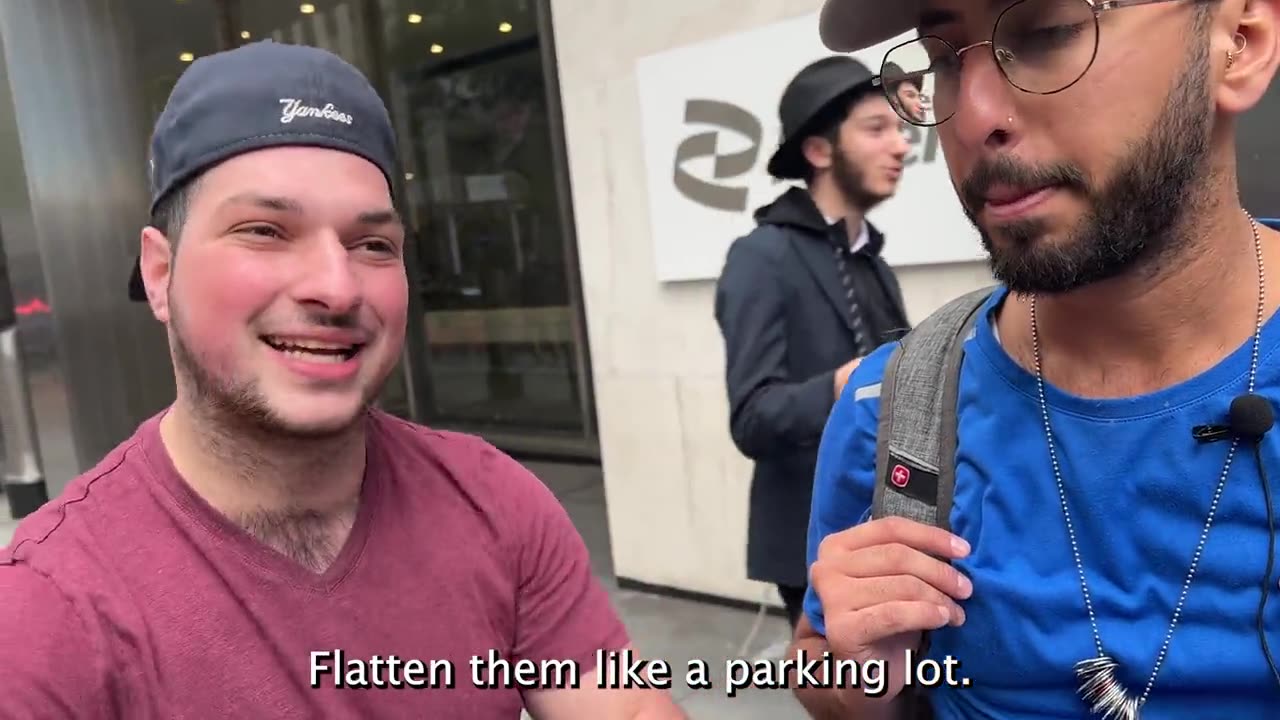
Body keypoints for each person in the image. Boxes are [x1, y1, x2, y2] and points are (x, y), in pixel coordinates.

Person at [0, 41, 685, 720]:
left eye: (372, 245)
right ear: (160, 273)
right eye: (265, 230)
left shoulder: (495, 504)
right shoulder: (46, 615)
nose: (336, 286)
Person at [794, 0, 1280, 717]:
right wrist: (863, 674)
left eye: (1046, 33)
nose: (972, 118)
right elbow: (819, 662)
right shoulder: (896, 406)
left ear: (1240, 41)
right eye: (940, 60)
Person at [713, 55, 911, 631]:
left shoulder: (875, 263)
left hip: (894, 527)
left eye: (899, 128)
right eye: (877, 128)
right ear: (820, 151)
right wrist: (841, 386)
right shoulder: (761, 257)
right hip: (816, 542)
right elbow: (752, 418)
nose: (899, 145)